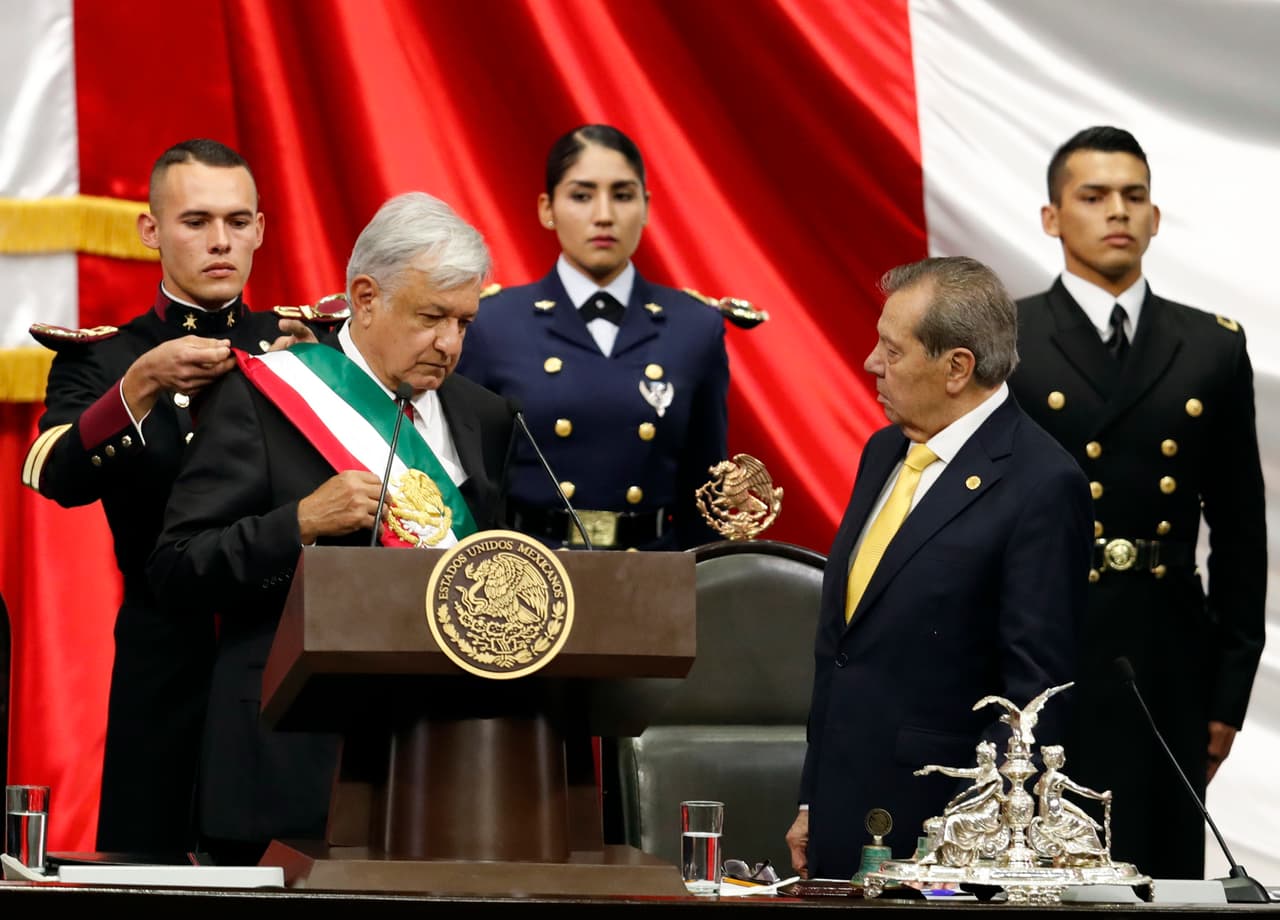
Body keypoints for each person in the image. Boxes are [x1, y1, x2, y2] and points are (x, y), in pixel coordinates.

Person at [147, 191, 514, 863]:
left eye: (465, 322)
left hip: (440, 761)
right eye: (432, 317)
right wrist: (299, 524)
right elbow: (176, 567)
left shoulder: (483, 416)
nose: (450, 344)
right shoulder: (262, 399)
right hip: (288, 762)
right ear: (366, 298)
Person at [19, 139, 326, 854]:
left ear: (260, 229)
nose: (221, 240)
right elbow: (50, 473)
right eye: (195, 221)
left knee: (287, 871)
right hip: (164, 661)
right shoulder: (106, 357)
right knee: (150, 866)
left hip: (279, 658)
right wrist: (141, 387)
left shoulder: (308, 349)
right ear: (151, 231)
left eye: (238, 220)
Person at [1009, 126, 1266, 879]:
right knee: (1046, 871)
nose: (1117, 211)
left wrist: (1228, 695)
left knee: (1161, 871)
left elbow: (1241, 535)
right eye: (1093, 196)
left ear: (1155, 217)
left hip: (1166, 657)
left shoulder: (1211, 345)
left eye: (1134, 196)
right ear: (1053, 217)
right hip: (1045, 647)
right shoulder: (1011, 338)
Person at [784, 256, 1092, 879]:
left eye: (892, 351)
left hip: (942, 837)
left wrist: (992, 850)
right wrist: (814, 799)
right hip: (844, 816)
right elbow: (842, 649)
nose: (872, 362)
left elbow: (1034, 697)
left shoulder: (1042, 483)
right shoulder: (884, 452)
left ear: (957, 368)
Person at [455, 124, 736, 550]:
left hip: (653, 573)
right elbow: (466, 480)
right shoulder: (492, 325)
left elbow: (705, 493)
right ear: (547, 208)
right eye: (582, 196)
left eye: (622, 195)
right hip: (529, 572)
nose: (603, 214)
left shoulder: (694, 328)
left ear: (645, 207)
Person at [915, 741, 1008, 867]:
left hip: (987, 816)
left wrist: (956, 808)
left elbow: (979, 799)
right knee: (949, 818)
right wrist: (937, 767)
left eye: (980, 757)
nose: (978, 759)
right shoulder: (982, 771)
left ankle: (939, 854)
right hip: (978, 812)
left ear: (987, 758)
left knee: (953, 819)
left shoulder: (995, 778)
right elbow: (958, 771)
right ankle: (938, 855)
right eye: (978, 756)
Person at [1028, 745, 1110, 864]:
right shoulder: (1058, 777)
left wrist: (1084, 815)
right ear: (1057, 759)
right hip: (1054, 818)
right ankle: (1098, 858)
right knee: (1087, 828)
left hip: (1047, 815)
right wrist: (1101, 796)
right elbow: (1080, 790)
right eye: (1062, 756)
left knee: (1085, 824)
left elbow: (1039, 792)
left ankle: (1079, 856)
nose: (1065, 759)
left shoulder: (1044, 777)